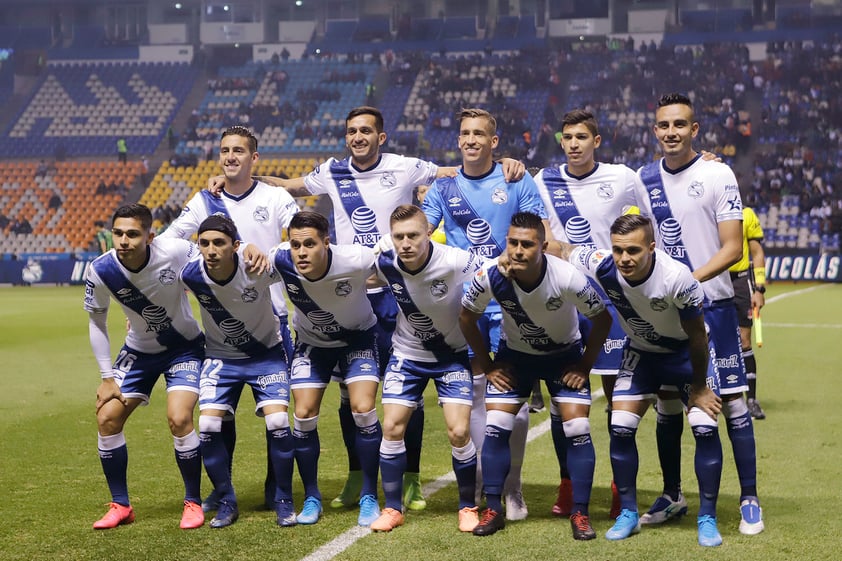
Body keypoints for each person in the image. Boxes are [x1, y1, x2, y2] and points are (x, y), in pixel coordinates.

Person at [218, 106, 525, 512]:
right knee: (352, 398)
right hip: (352, 293)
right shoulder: (331, 171)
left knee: (405, 392)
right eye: (351, 131)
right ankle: (357, 478)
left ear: (381, 137)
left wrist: (502, 162)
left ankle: (411, 480)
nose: (357, 137)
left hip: (399, 291)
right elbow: (290, 186)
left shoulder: (405, 167)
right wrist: (237, 180)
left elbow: (454, 170)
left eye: (365, 131)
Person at [634, 93, 763, 535]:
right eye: (664, 125)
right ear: (655, 131)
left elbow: (732, 247)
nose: (671, 132)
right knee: (668, 405)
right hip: (666, 315)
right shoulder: (642, 179)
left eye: (680, 124)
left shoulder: (717, 172)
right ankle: (673, 494)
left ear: (695, 129)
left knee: (732, 405)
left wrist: (689, 279)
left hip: (715, 307)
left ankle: (749, 498)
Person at [159, 125, 300, 512]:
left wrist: (267, 253)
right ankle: (224, 490)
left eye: (239, 150)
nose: (231, 156)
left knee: (276, 415)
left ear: (255, 158)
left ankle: (277, 486)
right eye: (225, 150)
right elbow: (169, 244)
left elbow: (301, 236)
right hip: (221, 325)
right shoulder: (205, 200)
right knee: (219, 415)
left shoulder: (275, 196)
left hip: (272, 319)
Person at [565, 214, 725, 546]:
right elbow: (562, 248)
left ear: (652, 248)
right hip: (643, 354)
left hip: (686, 355)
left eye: (634, 250)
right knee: (620, 424)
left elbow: (697, 336)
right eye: (618, 250)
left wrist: (698, 387)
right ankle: (628, 513)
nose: (624, 258)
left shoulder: (677, 278)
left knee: (704, 426)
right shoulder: (603, 264)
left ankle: (707, 517)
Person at [422, 108, 548, 521]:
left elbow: (539, 233)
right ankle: (482, 481)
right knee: (477, 396)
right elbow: (421, 235)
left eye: (480, 133)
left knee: (514, 403)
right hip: (470, 309)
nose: (471, 139)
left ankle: (513, 486)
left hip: (515, 307)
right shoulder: (444, 188)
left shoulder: (516, 179)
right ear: (457, 140)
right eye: (465, 133)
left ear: (495, 142)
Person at [460, 211, 612, 539]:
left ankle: (581, 514)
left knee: (578, 426)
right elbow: (466, 318)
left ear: (542, 246)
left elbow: (602, 319)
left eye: (526, 244)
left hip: (563, 357)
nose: (517, 250)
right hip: (516, 358)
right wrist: (488, 365)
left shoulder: (567, 277)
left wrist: (584, 365)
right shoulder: (491, 275)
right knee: (497, 425)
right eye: (512, 242)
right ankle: (494, 510)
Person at [533, 109, 640, 518]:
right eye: (567, 137)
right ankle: (568, 486)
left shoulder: (623, 178)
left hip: (614, 302)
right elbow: (544, 234)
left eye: (582, 136)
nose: (573, 143)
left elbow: (657, 206)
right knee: (565, 404)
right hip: (563, 302)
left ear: (597, 140)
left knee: (620, 401)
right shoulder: (544, 180)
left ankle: (619, 488)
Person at [83, 203, 206, 530]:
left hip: (184, 348)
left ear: (150, 236)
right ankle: (121, 505)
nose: (123, 240)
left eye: (132, 234)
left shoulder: (176, 250)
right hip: (139, 351)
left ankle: (193, 501)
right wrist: (107, 377)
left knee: (179, 418)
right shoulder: (101, 269)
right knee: (107, 417)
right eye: (118, 233)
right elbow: (96, 322)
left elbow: (213, 272)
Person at [368, 204, 484, 532]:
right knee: (391, 427)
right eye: (399, 237)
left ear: (428, 233)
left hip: (451, 357)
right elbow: (345, 266)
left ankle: (467, 507)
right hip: (407, 355)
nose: (405, 243)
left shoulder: (455, 260)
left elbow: (493, 275)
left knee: (459, 432)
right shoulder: (384, 259)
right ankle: (392, 509)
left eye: (413, 235)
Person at [180, 215, 294, 528]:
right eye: (204, 243)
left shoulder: (255, 268)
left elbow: (290, 254)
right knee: (207, 424)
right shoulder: (190, 272)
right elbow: (165, 292)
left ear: (236, 245)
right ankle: (227, 499)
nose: (211, 250)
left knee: (279, 420)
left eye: (219, 243)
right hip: (220, 357)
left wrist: (261, 249)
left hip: (266, 354)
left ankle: (283, 497)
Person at [270, 211, 383, 527]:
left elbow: (396, 272)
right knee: (303, 414)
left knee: (362, 408)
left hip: (357, 338)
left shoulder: (356, 259)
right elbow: (243, 272)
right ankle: (311, 497)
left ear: (326, 242)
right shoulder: (280, 260)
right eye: (295, 245)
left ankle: (369, 495)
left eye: (309, 244)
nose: (301, 252)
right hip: (311, 344)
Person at [729, 206, 767, 419]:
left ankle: (751, 399)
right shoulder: (705, 211)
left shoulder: (746, 214)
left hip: (741, 282)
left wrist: (759, 288)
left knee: (745, 342)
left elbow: (757, 252)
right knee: (707, 339)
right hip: (714, 279)